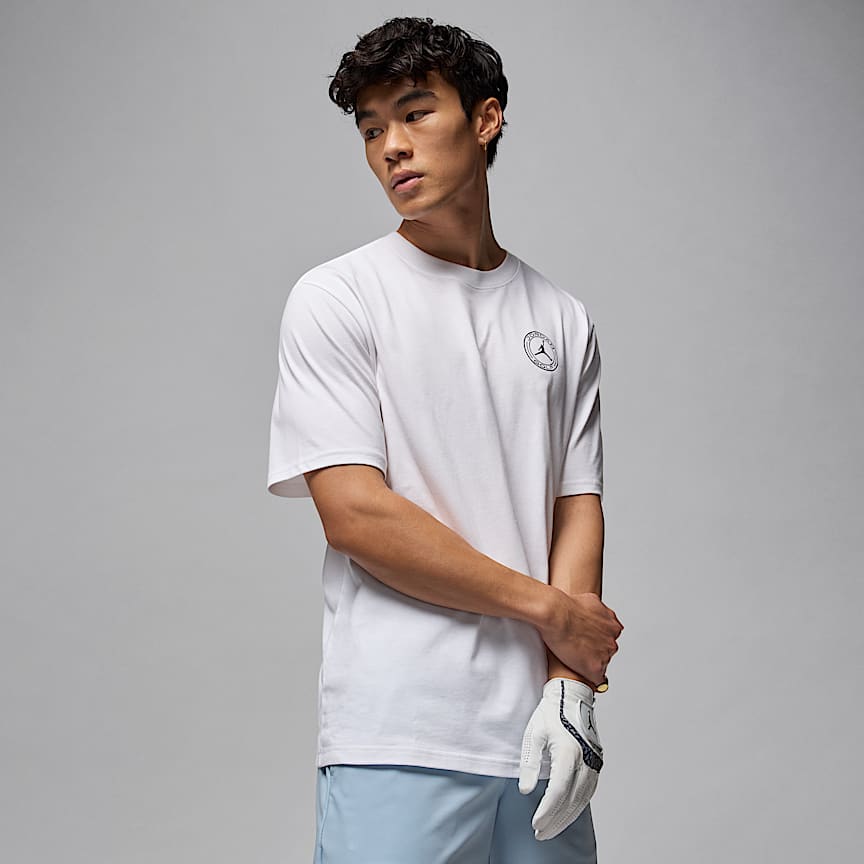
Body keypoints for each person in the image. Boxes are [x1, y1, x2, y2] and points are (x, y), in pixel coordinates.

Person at [266, 16, 624, 864]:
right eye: (371, 129)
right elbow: (357, 516)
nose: (391, 146)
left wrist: (570, 692)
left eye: (416, 113)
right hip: (402, 730)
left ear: (486, 119)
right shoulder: (339, 298)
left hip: (539, 739)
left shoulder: (561, 318)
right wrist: (549, 612)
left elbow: (575, 507)